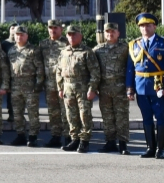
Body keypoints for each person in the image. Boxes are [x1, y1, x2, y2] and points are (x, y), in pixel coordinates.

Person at [126, 13, 164, 159]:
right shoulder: (134, 45)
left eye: (148, 25)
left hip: (158, 86)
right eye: (142, 26)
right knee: (146, 117)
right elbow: (130, 69)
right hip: (141, 87)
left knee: (160, 117)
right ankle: (150, 148)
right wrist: (130, 89)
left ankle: (160, 149)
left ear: (154, 26)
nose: (145, 28)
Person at [57, 25, 101, 153]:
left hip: (83, 87)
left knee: (84, 115)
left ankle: (84, 141)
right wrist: (60, 87)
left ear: (80, 36)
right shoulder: (64, 52)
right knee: (71, 115)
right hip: (67, 87)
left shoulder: (87, 52)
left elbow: (95, 72)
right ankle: (74, 139)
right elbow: (59, 71)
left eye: (74, 34)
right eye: (69, 35)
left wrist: (92, 89)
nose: (71, 37)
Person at [93, 22, 130, 154]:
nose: (110, 34)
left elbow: (131, 67)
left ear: (118, 33)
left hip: (120, 88)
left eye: (113, 31)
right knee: (107, 117)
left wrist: (130, 87)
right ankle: (110, 142)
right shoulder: (97, 50)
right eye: (107, 32)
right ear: (104, 33)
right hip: (104, 89)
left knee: (122, 116)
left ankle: (123, 144)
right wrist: (94, 87)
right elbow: (93, 70)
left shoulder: (125, 48)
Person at [6, 26, 44, 147]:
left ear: (27, 36)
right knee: (17, 113)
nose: (19, 36)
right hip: (16, 85)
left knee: (32, 113)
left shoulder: (33, 50)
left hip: (30, 85)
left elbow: (40, 68)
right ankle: (20, 135)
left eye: (22, 34)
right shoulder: (12, 50)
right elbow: (8, 70)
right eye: (17, 34)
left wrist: (38, 84)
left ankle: (33, 136)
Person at [39, 19, 71, 148]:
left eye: (55, 28)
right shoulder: (43, 44)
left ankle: (69, 137)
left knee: (66, 111)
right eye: (50, 28)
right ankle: (55, 136)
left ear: (61, 29)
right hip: (49, 84)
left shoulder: (67, 43)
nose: (53, 30)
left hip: (64, 84)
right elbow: (40, 63)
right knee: (53, 112)